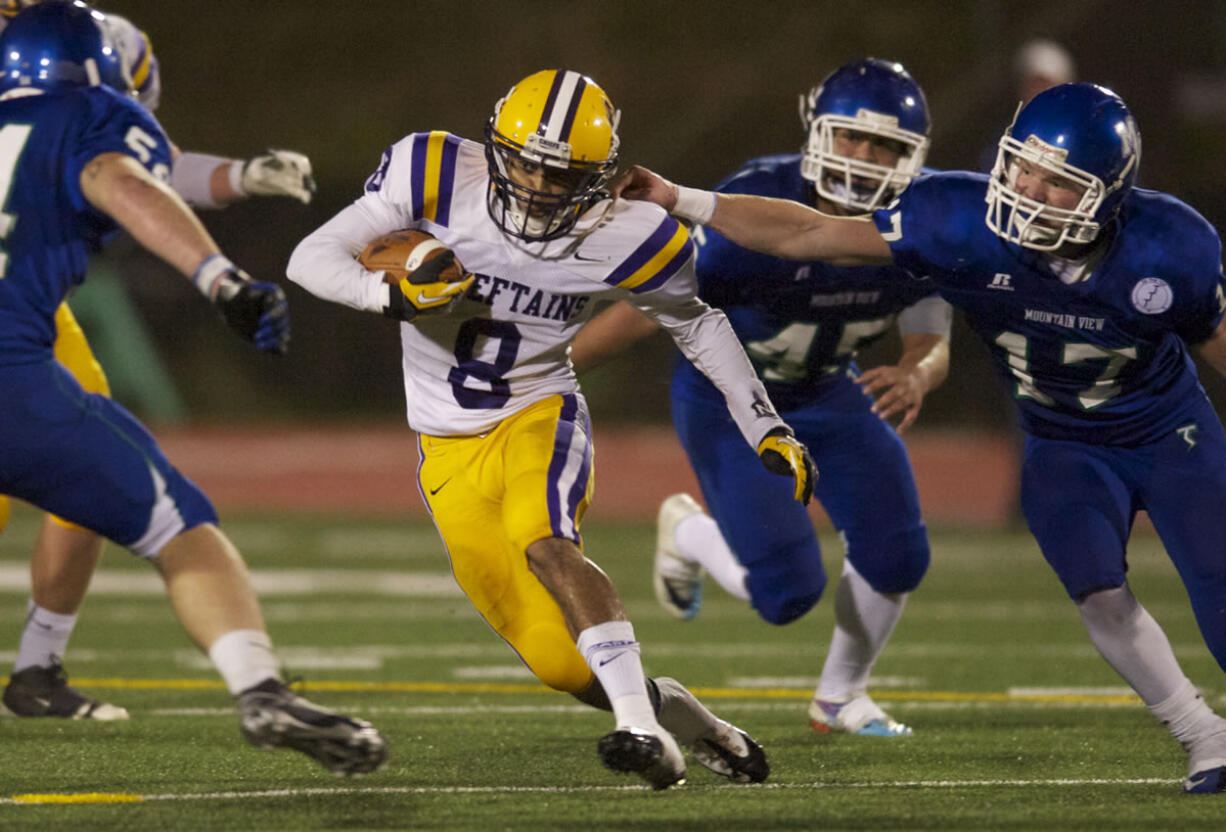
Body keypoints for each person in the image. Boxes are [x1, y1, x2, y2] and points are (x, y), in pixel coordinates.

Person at [615, 81, 1226, 794]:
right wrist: (685, 199)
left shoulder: (1169, 246)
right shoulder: (957, 216)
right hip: (1062, 441)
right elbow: (810, 231)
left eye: (1058, 184)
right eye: (1022, 168)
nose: (1028, 191)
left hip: (1165, 429)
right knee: (1097, 589)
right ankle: (1203, 736)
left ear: (1110, 196)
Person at [288, 68, 818, 789]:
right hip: (444, 446)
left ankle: (637, 728)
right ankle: (688, 722)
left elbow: (696, 325)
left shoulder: (632, 235)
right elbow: (309, 258)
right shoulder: (435, 174)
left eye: (560, 172)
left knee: (546, 540)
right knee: (561, 665)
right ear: (495, 144)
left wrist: (764, 424)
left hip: (539, 408)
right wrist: (389, 295)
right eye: (527, 162)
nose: (537, 185)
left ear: (600, 177)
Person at [0, 1, 385, 775]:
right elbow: (124, 180)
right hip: (9, 373)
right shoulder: (90, 113)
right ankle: (260, 688)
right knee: (177, 523)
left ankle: (38, 670)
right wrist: (222, 279)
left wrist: (240, 176)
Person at [570, 59, 950, 738]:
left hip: (831, 390)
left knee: (898, 554)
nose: (865, 159)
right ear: (817, 132)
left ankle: (840, 699)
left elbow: (932, 327)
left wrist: (918, 371)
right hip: (730, 403)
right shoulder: (758, 201)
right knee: (786, 595)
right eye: (853, 139)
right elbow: (650, 307)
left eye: (885, 146)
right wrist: (555, 367)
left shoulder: (921, 216)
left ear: (912, 156)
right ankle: (687, 530)